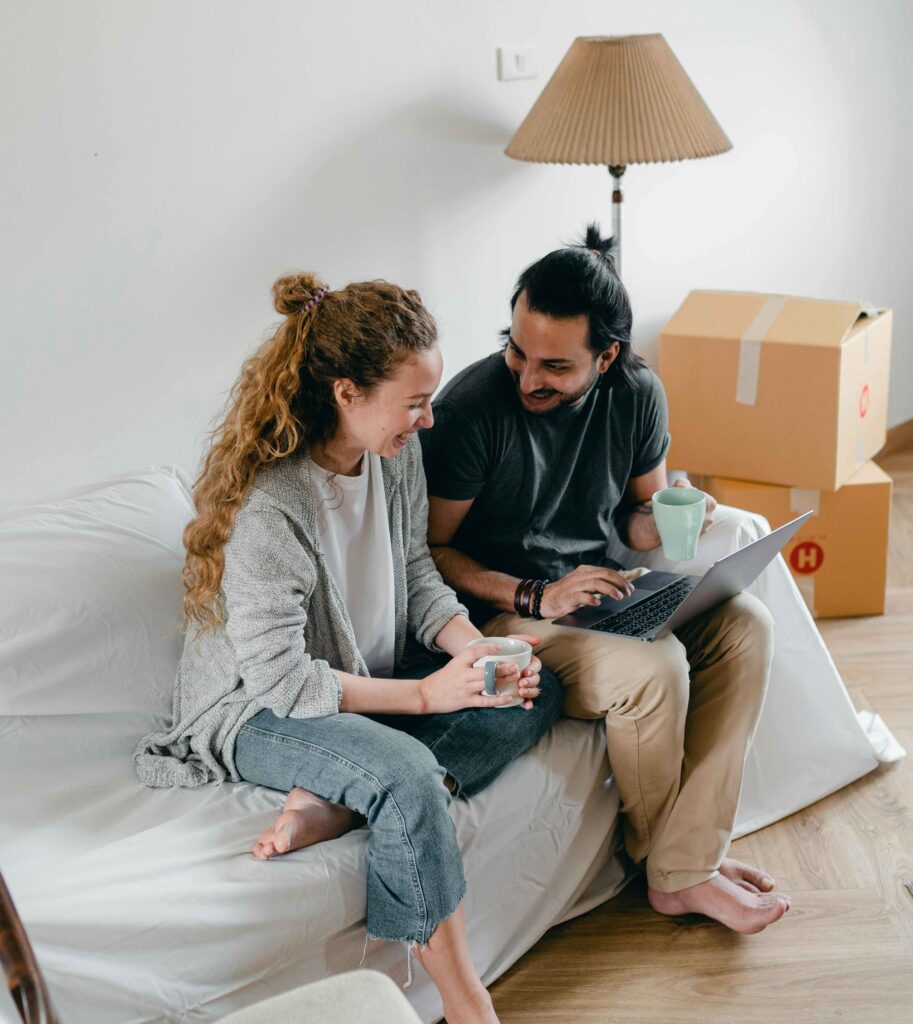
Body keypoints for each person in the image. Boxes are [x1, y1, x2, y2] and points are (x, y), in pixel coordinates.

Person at [134, 272, 562, 1024]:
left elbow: (420, 575)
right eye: (416, 402)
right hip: (257, 710)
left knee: (534, 682)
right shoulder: (271, 506)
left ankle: (336, 803)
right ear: (347, 393)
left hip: (361, 676)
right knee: (405, 773)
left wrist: (473, 654)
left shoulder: (393, 457)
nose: (429, 420)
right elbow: (283, 682)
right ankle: (468, 1006)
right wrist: (430, 696)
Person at [419, 225, 791, 935]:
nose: (527, 378)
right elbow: (431, 551)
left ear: (607, 355)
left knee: (746, 626)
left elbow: (636, 517)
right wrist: (537, 596)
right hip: (501, 613)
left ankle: (690, 859)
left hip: (597, 595)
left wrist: (679, 516)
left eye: (554, 366)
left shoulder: (637, 394)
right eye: (516, 349)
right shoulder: (470, 411)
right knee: (655, 672)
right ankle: (678, 870)